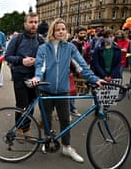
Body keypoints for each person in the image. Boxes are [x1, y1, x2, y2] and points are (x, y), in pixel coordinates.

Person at [30, 18, 105, 163]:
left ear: (66, 31)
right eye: (58, 29)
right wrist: (37, 77)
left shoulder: (70, 48)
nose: (61, 32)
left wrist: (94, 79)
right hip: (46, 89)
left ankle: (66, 146)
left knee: (65, 119)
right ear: (53, 31)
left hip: (63, 90)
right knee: (47, 119)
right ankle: (47, 141)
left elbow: (81, 66)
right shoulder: (43, 48)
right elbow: (41, 66)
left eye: (63, 29)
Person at [5, 12, 45, 136]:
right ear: (25, 24)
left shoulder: (41, 40)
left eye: (36, 22)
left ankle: (26, 129)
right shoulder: (17, 39)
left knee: (31, 104)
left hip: (35, 76)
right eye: (31, 22)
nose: (33, 25)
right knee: (21, 104)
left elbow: (46, 57)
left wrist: (36, 61)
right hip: (20, 76)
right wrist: (21, 61)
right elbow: (7, 56)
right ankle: (19, 128)